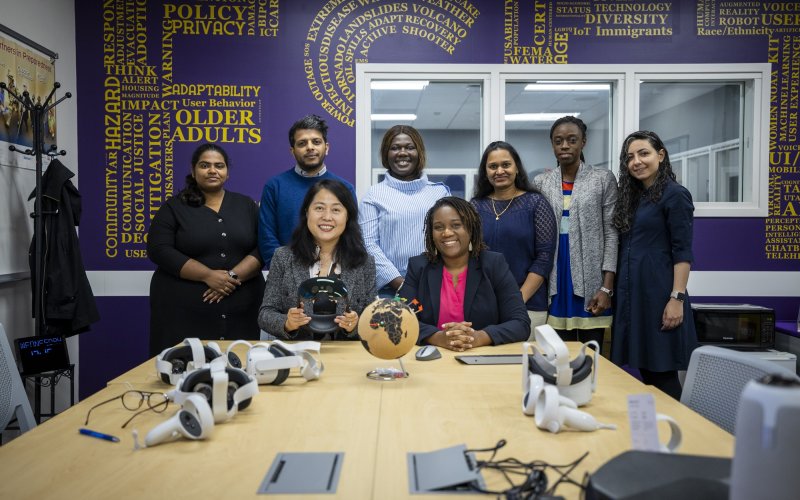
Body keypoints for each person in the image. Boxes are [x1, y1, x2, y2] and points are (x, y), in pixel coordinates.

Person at [148, 144, 265, 356]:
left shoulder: (246, 205)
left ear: (227, 172)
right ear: (193, 171)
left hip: (241, 311)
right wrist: (208, 275)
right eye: (205, 165)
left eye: (219, 166)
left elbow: (262, 247)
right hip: (182, 314)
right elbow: (159, 249)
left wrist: (230, 277)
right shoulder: (173, 207)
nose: (212, 170)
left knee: (237, 372)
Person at [611, 130, 698, 400]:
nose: (636, 161)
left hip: (660, 295)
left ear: (661, 155)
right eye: (630, 157)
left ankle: (687, 434)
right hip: (633, 297)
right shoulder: (634, 199)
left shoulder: (675, 195)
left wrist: (676, 298)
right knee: (647, 372)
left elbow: (682, 252)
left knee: (663, 376)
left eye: (644, 153)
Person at [399, 197, 530, 350]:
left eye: (456, 225)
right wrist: (438, 337)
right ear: (431, 233)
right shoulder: (419, 266)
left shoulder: (493, 264)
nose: (447, 233)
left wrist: (479, 337)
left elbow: (520, 323)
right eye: (439, 227)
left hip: (482, 360)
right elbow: (401, 318)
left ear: (470, 228)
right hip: (433, 358)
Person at [533, 116, 618, 348]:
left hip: (592, 278)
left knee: (593, 353)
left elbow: (611, 233)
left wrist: (606, 287)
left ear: (583, 142)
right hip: (556, 274)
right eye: (558, 141)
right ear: (552, 144)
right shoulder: (541, 182)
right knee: (559, 352)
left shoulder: (602, 179)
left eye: (572, 140)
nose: (565, 146)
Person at [258, 179, 376, 340]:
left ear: (348, 216)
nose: (327, 217)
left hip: (346, 356)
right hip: (297, 356)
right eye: (319, 208)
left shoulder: (364, 262)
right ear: (307, 212)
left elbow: (372, 318)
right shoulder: (283, 257)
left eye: (336, 210)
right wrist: (287, 322)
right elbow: (266, 313)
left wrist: (355, 324)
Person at [471, 141, 557, 331]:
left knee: (521, 360)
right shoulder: (475, 206)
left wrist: (517, 300)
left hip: (527, 304)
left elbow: (544, 258)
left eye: (506, 164)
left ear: (517, 167)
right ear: (485, 172)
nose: (499, 171)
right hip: (483, 304)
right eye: (493, 166)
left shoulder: (536, 203)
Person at [359, 125, 450, 297]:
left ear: (419, 152)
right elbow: (368, 245)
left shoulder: (440, 193)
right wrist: (402, 284)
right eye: (395, 148)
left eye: (409, 147)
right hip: (390, 291)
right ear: (386, 154)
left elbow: (450, 240)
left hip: (436, 286)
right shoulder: (374, 195)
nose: (402, 153)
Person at [258, 114, 355, 268]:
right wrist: (285, 273)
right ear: (292, 151)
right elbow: (267, 237)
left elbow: (351, 236)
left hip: (333, 277)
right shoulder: (274, 186)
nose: (310, 147)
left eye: (316, 142)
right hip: (285, 278)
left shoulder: (345, 188)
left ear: (326, 147)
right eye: (302, 143)